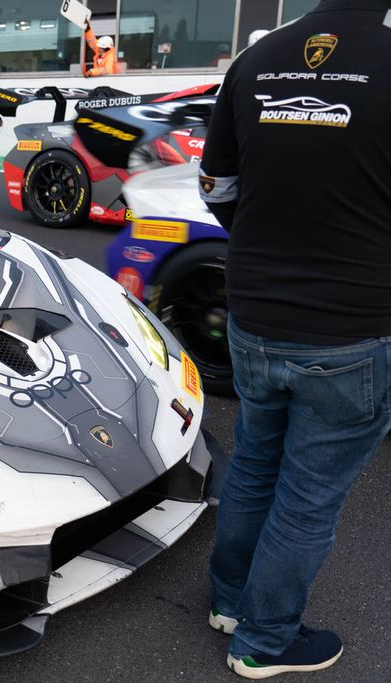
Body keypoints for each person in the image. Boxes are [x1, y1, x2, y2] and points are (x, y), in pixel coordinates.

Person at [199, 1, 391, 678]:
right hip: (351, 326)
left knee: (256, 462)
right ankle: (266, 640)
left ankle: (229, 602)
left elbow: (216, 185)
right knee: (308, 496)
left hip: (254, 312)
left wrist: (269, 243)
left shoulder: (256, 58)